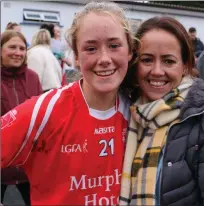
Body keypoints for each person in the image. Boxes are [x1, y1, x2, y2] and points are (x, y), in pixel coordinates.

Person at [1, 2, 133, 205]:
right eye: (91, 48)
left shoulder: (140, 112)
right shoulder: (44, 111)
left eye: (114, 46)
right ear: (77, 57)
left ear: (130, 51)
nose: (104, 58)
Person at [119, 17, 204, 206]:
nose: (157, 71)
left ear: (185, 66)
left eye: (168, 61)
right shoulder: (127, 116)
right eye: (147, 60)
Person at [1, 30, 43, 205]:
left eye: (22, 48)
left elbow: (42, 115)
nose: (17, 52)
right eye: (12, 47)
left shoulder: (33, 77)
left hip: (29, 165)